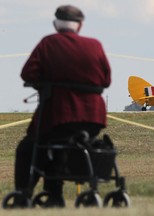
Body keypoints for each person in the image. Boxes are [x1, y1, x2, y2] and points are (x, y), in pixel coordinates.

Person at [14, 5, 111, 207]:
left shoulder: (49, 43)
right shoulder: (95, 45)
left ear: (55, 24)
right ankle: (62, 191)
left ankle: (26, 193)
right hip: (93, 118)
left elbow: (28, 73)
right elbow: (106, 79)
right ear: (80, 25)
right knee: (63, 146)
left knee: (29, 148)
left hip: (58, 116)